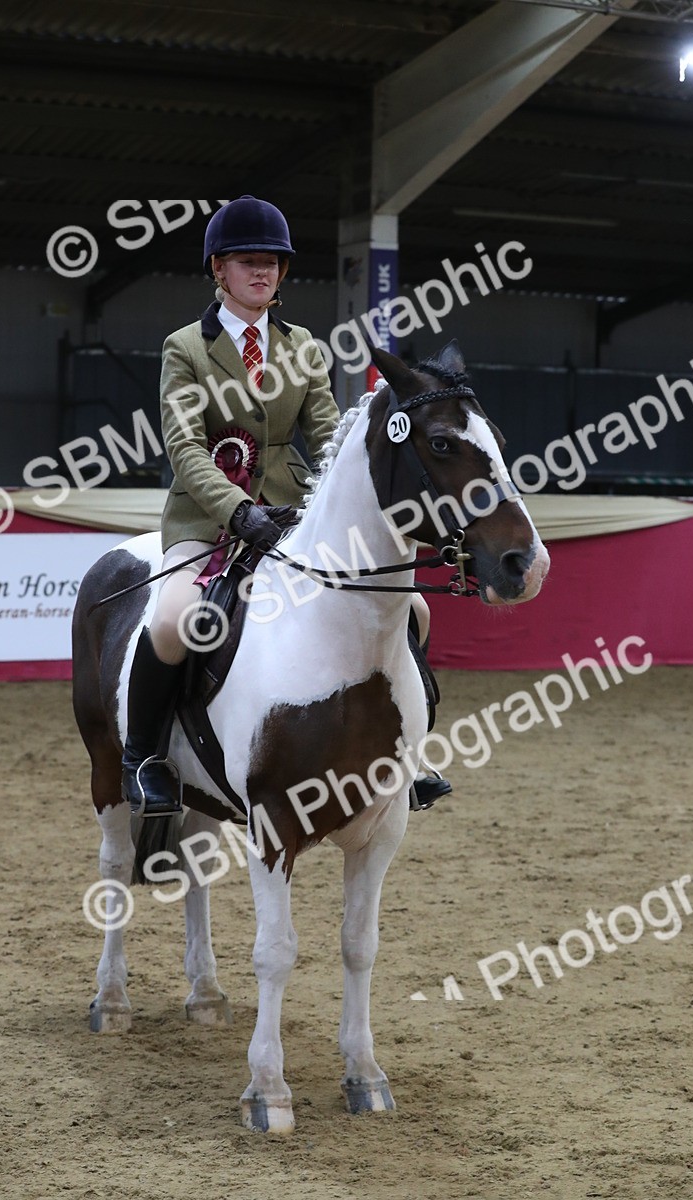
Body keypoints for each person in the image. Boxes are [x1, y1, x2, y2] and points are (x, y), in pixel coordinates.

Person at [121, 195, 450, 814]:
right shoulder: (185, 348)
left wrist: (346, 500)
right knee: (172, 620)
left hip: (295, 517)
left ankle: (405, 749)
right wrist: (236, 511)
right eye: (248, 262)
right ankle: (144, 757)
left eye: (272, 262)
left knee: (416, 610)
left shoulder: (303, 347)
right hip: (210, 519)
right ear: (219, 269)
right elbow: (186, 448)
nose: (263, 272)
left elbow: (329, 436)